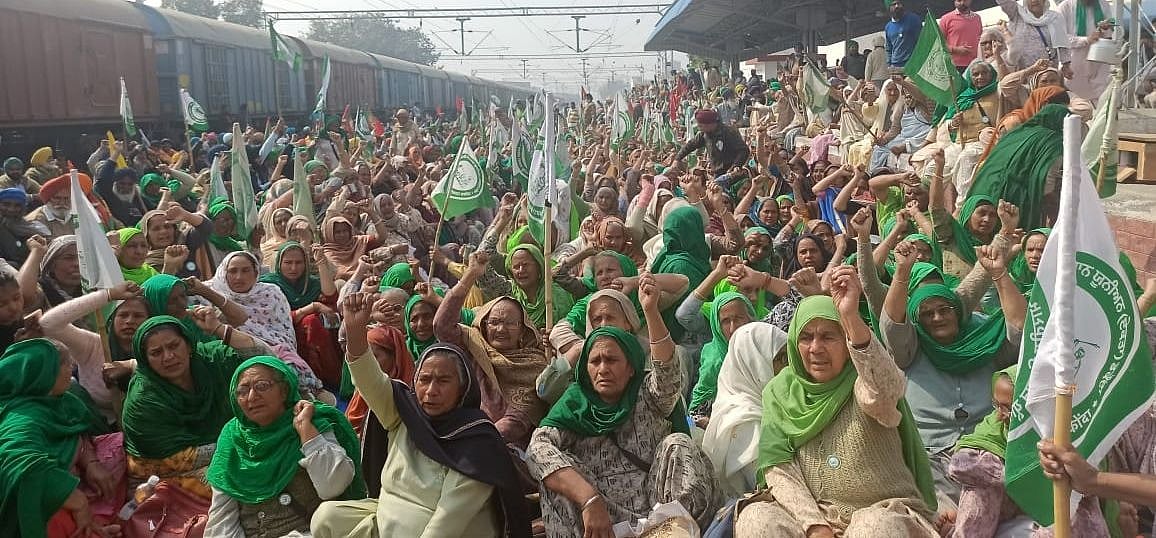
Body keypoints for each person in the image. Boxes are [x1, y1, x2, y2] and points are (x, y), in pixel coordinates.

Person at [735, 270, 938, 536]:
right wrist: (815, 525)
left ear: (846, 341)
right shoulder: (780, 391)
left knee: (871, 527)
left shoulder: (862, 380)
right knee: (756, 518)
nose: (816, 348)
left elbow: (889, 389)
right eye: (806, 338)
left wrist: (851, 317)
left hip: (883, 512)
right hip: (815, 517)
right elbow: (778, 467)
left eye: (829, 337)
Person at [311, 292, 531, 538]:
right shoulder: (405, 410)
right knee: (327, 517)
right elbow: (368, 378)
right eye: (425, 380)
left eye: (443, 381)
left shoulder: (477, 440)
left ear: (462, 388)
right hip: (387, 516)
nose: (431, 391)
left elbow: (447, 522)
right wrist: (354, 328)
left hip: (443, 530)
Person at [527, 273, 719, 536]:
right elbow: (538, 448)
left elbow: (668, 372)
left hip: (659, 514)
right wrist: (589, 499)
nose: (603, 369)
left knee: (678, 443)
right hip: (600, 517)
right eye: (595, 362)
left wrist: (651, 311)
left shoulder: (648, 392)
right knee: (555, 471)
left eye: (612, 360)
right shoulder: (575, 401)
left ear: (631, 368)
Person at [881, 238, 1027, 505]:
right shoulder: (911, 347)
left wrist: (999, 274)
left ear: (957, 311)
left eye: (944, 309)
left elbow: (1020, 331)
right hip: (930, 458)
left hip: (988, 451)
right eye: (927, 314)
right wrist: (902, 272)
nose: (937, 318)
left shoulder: (984, 336)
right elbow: (892, 326)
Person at [204, 356, 366, 537]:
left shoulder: (313, 422)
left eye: (262, 386)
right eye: (242, 390)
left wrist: (305, 429)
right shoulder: (232, 438)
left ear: (284, 390)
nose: (252, 397)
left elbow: (333, 485)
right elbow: (222, 517)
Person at [121, 311, 273, 501]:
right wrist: (247, 443)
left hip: (232, 447)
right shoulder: (143, 400)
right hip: (163, 474)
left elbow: (266, 361)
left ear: (189, 344)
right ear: (145, 361)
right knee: (241, 483)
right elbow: (179, 457)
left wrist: (219, 329)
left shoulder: (212, 359)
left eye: (174, 345)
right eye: (156, 353)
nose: (168, 357)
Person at [0, 339, 125, 538]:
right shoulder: (23, 419)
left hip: (69, 481)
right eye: (66, 364)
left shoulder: (59, 401)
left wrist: (91, 462)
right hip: (43, 498)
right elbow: (21, 465)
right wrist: (77, 501)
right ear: (45, 373)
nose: (72, 368)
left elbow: (76, 430)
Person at [37, 281, 149, 424]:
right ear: (111, 320)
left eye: (138, 316)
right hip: (94, 427)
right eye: (123, 315)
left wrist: (132, 366)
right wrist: (108, 295)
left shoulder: (157, 349)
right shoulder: (94, 346)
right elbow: (48, 324)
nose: (129, 321)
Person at [701, 322, 789, 497]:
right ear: (755, 364)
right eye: (781, 359)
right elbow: (772, 488)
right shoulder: (747, 421)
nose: (788, 367)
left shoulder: (762, 403)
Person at [259, 242, 345, 390]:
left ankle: (332, 376)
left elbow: (330, 297)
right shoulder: (269, 286)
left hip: (314, 335)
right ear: (279, 263)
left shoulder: (309, 284)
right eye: (288, 262)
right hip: (282, 335)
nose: (293, 268)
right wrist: (313, 307)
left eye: (299, 263)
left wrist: (321, 262)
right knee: (310, 321)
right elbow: (275, 319)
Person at [998, 0, 1071, 72]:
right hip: (1025, 75)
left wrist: (1066, 65)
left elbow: (1062, 43)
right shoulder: (1016, 14)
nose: (1034, 1)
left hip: (1049, 73)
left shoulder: (1055, 17)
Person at [673, 109, 751, 176]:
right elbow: (690, 145)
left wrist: (736, 165)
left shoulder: (729, 132)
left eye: (701, 126)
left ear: (710, 124)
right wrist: (677, 159)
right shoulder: (704, 134)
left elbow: (744, 150)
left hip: (733, 172)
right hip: (717, 172)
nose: (699, 129)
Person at [940, 0, 983, 72]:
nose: (962, 3)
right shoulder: (946, 19)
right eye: (959, 0)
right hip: (954, 65)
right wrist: (956, 50)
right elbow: (939, 43)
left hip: (976, 64)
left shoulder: (977, 18)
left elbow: (980, 39)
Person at [886, 0, 924, 67]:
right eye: (894, 4)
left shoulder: (913, 19)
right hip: (895, 64)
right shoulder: (888, 27)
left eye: (899, 3)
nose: (897, 6)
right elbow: (889, 48)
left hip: (913, 62)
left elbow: (922, 39)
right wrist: (889, 64)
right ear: (889, 8)